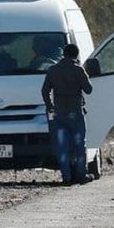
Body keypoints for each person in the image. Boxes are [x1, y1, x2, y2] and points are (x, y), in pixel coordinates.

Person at [41, 44, 93, 185]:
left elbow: (45, 91)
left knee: (62, 146)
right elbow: (89, 89)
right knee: (79, 145)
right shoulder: (78, 70)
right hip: (76, 112)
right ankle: (81, 175)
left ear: (63, 54)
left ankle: (66, 177)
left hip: (59, 113)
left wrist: (50, 106)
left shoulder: (52, 70)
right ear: (76, 55)